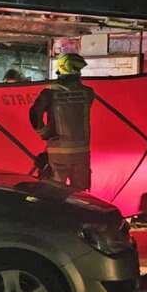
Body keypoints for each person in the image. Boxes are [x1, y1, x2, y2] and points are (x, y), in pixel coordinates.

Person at [29, 53, 94, 190]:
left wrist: (44, 132)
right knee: (81, 196)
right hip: (82, 153)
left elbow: (35, 113)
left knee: (54, 192)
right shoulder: (88, 93)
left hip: (58, 153)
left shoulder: (49, 93)